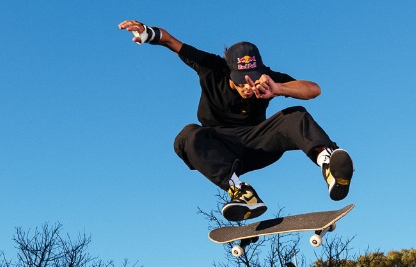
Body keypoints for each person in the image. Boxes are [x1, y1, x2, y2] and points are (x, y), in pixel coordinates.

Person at [117, 19, 353, 221]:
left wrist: (278, 88)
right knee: (187, 136)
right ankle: (242, 194)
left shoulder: (267, 78)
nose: (248, 87)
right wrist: (147, 32)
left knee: (295, 115)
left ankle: (329, 164)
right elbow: (170, 41)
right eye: (240, 82)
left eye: (252, 80)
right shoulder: (211, 67)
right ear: (228, 71)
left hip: (259, 144)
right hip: (222, 149)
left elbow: (314, 89)